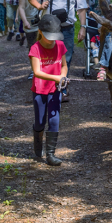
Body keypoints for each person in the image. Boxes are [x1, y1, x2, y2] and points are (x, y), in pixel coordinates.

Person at [29, 0, 88, 102]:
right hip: (48, 28)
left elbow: (81, 9)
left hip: (67, 28)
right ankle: (43, 88)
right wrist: (39, 6)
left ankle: (61, 89)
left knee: (65, 59)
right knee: (45, 58)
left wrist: (83, 27)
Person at [29, 14, 68, 166]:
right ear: (40, 32)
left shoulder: (60, 46)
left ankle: (51, 154)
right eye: (48, 36)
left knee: (54, 120)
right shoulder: (35, 48)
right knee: (40, 121)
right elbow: (37, 72)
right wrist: (56, 78)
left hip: (55, 89)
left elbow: (64, 65)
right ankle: (37, 142)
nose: (51, 40)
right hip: (40, 90)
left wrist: (63, 77)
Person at [19, 0, 43, 79]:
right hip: (30, 21)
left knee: (45, 45)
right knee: (33, 47)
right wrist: (24, 21)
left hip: (43, 21)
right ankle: (34, 70)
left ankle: (44, 69)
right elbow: (21, 7)